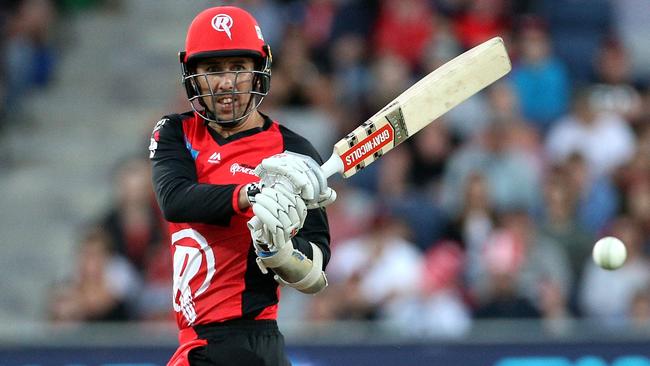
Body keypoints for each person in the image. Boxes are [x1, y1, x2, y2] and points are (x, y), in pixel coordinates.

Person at [149, 6, 336, 366]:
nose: (225, 83)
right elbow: (175, 199)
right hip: (199, 342)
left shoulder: (294, 150)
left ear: (259, 71)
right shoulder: (175, 131)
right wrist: (253, 194)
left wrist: (278, 250)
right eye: (212, 69)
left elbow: (317, 264)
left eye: (238, 68)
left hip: (251, 340)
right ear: (193, 74)